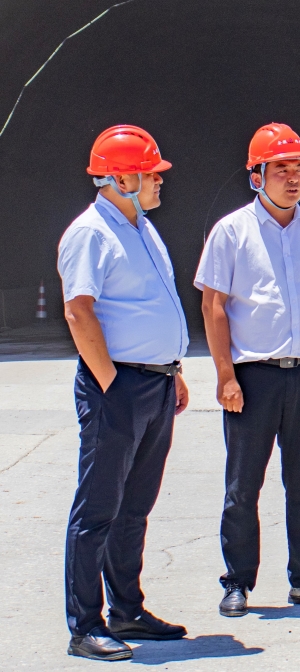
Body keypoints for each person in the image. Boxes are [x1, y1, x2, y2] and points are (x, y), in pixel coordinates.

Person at [195, 123, 300, 617]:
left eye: (299, 168)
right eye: (280, 168)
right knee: (244, 485)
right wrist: (225, 375)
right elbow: (214, 307)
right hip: (254, 378)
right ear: (256, 177)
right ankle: (237, 581)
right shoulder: (231, 232)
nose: (292, 177)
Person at [58, 125, 190, 661]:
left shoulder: (142, 229)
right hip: (118, 387)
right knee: (98, 510)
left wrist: (172, 369)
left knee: (135, 506)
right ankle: (85, 625)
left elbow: (152, 304)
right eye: (151, 174)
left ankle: (128, 610)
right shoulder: (91, 233)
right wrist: (111, 382)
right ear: (120, 179)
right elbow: (78, 310)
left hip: (155, 382)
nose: (160, 181)